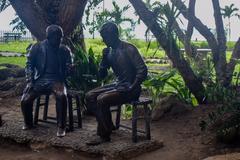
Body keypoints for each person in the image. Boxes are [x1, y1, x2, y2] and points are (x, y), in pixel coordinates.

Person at [85, 22, 148, 145]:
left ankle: (104, 135)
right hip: (118, 84)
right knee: (89, 96)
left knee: (102, 99)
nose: (103, 40)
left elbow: (142, 70)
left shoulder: (129, 48)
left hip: (131, 88)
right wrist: (103, 62)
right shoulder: (109, 52)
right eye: (102, 37)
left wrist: (133, 86)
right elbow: (102, 75)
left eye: (105, 37)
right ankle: (108, 125)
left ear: (113, 34)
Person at [21, 25, 73, 137]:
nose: (59, 40)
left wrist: (70, 69)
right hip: (40, 79)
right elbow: (29, 65)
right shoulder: (37, 47)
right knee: (25, 99)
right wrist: (30, 81)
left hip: (57, 80)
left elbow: (68, 70)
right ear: (49, 37)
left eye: (61, 37)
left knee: (61, 96)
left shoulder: (65, 50)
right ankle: (28, 123)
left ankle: (61, 126)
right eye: (57, 38)